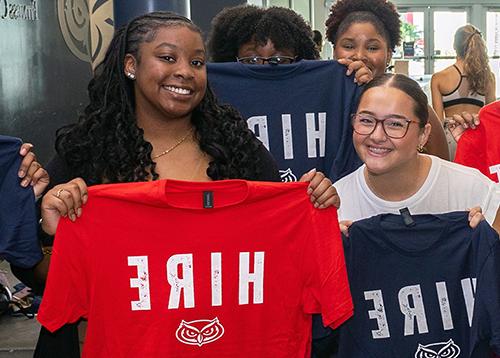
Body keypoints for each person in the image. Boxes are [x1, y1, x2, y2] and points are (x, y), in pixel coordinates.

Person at [34, 12, 337, 356]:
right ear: (131, 65)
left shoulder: (236, 149)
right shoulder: (87, 153)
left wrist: (313, 202)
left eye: (197, 62)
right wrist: (52, 232)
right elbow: (45, 282)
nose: (184, 72)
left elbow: (277, 257)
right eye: (167, 57)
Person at [334, 73, 500, 233]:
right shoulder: (338, 202)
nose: (377, 136)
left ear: (424, 134)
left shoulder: (472, 190)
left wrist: (489, 241)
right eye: (366, 120)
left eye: (395, 124)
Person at [325, 0, 450, 161]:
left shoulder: (414, 106)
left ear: (389, 55)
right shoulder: (322, 105)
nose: (359, 56)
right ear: (334, 52)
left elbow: (441, 169)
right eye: (348, 46)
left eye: (372, 48)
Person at [431, 24, 496, 159]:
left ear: (455, 46)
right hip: (477, 136)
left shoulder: (439, 78)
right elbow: (491, 119)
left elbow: (438, 121)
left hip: (450, 138)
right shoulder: (488, 78)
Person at [207, 5, 319, 64]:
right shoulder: (218, 102)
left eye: (279, 60)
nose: (265, 68)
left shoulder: (315, 98)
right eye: (252, 60)